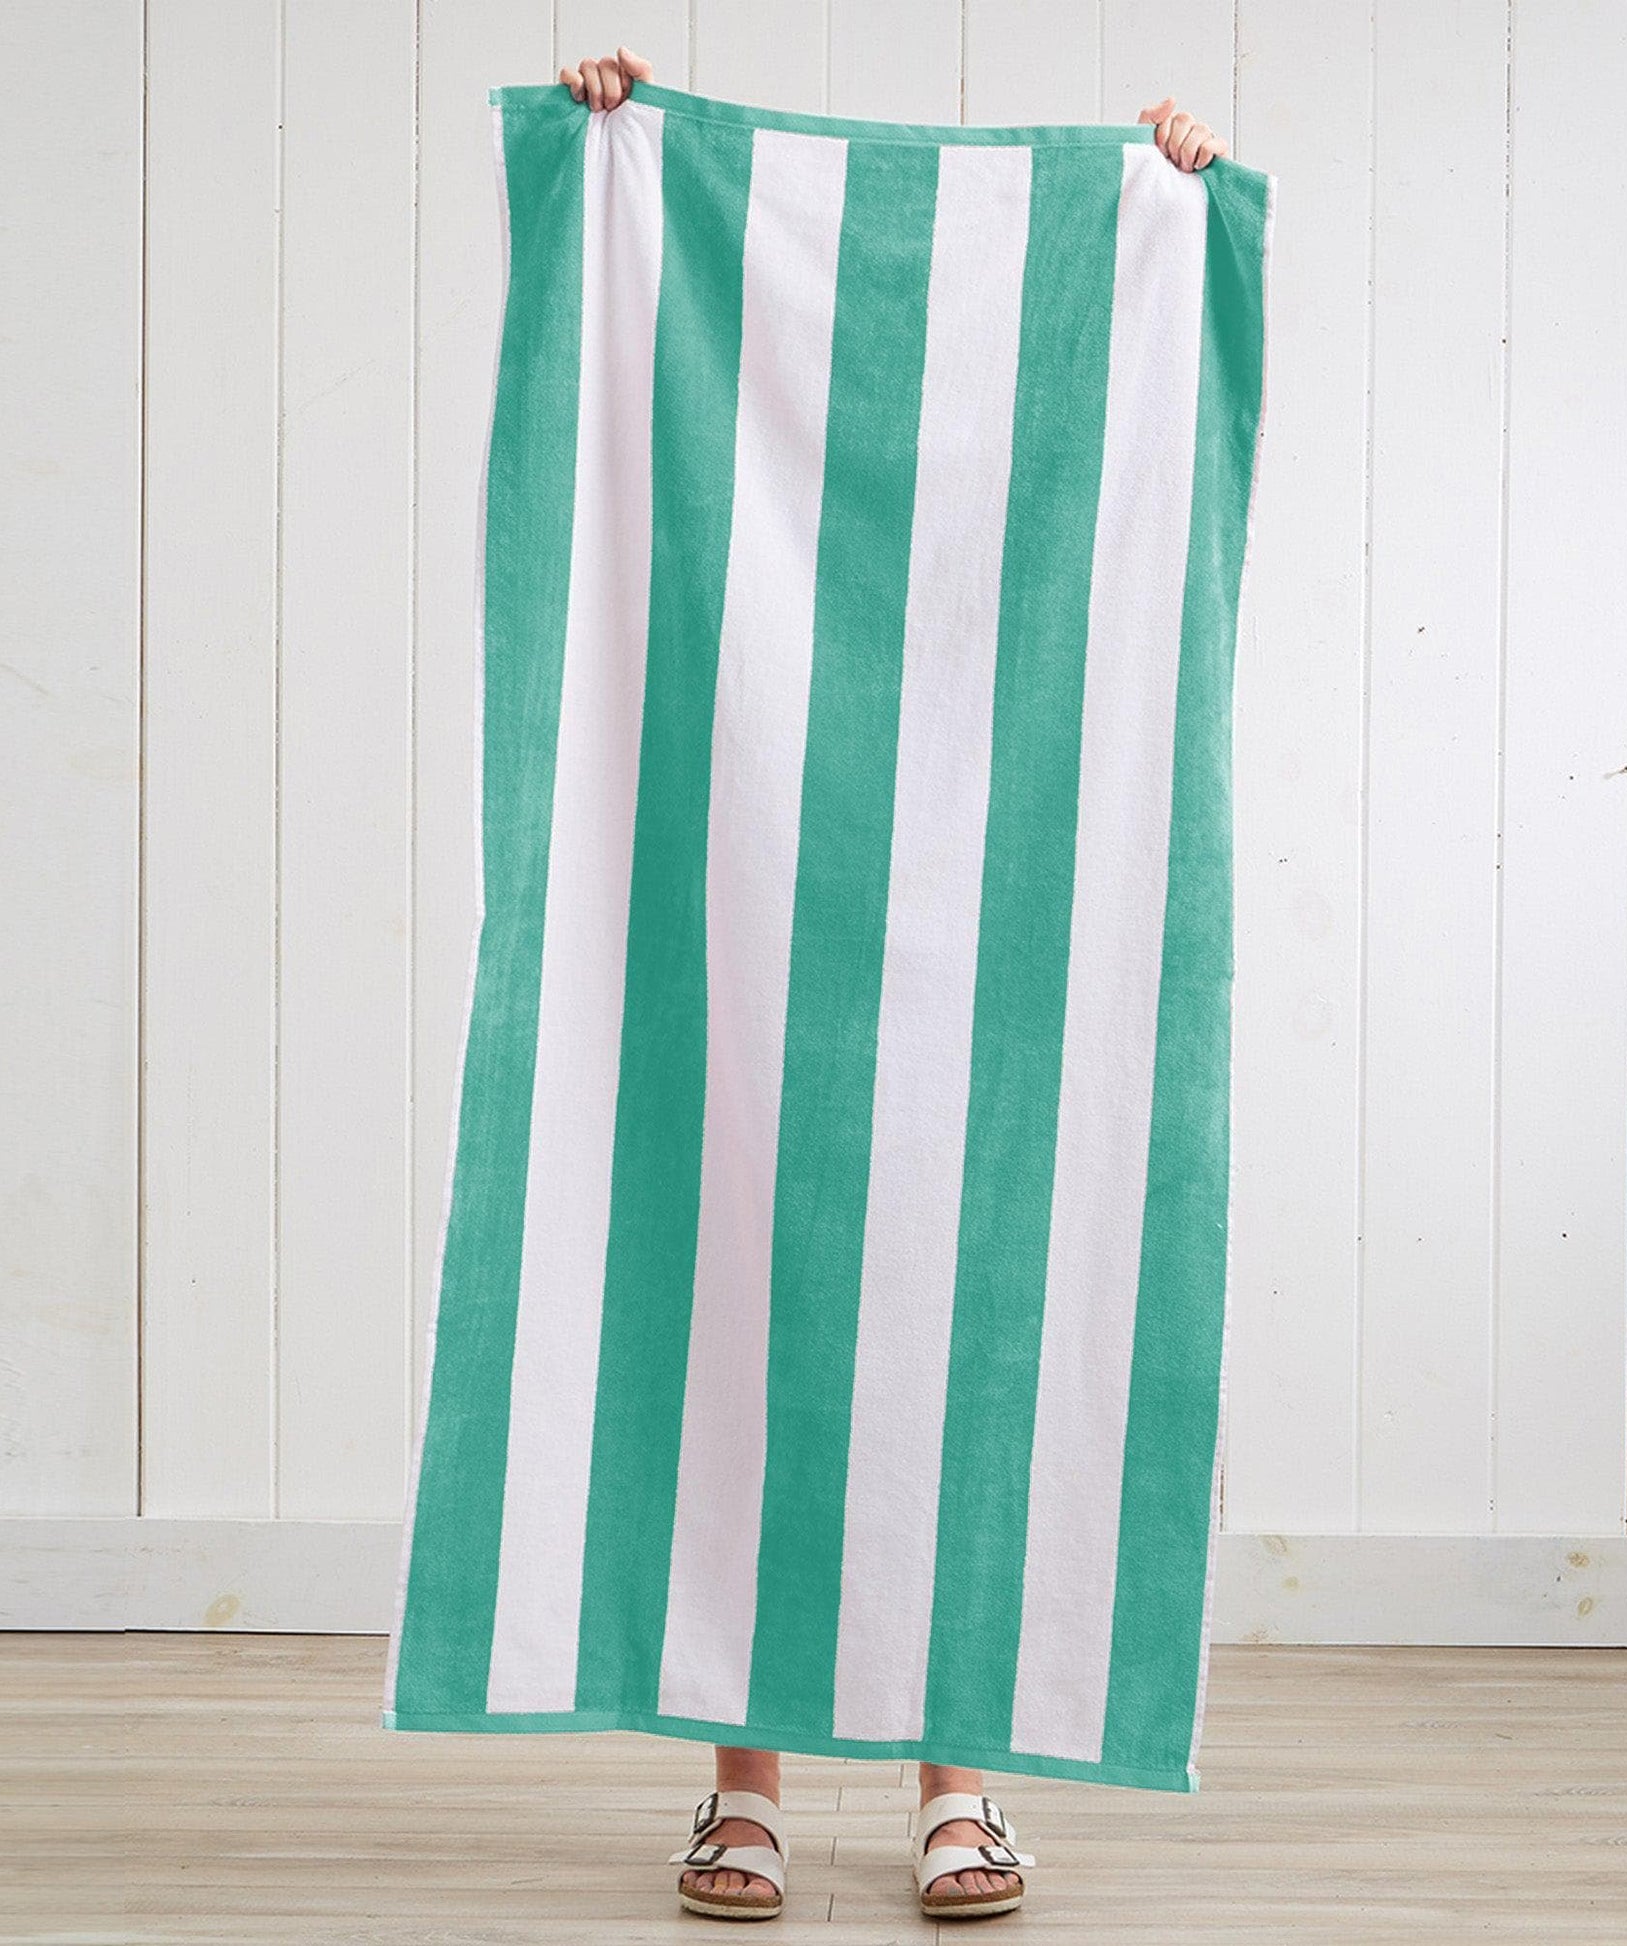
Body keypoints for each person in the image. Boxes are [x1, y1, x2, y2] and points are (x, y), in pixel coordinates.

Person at [554, 43, 1226, 1923]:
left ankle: (962, 1772)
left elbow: (1115, 442)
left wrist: (1163, 198)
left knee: (972, 1284)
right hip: (755, 823)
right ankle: (741, 1780)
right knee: (745, 1259)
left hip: (996, 845)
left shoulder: (1031, 449)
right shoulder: (750, 428)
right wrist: (621, 146)